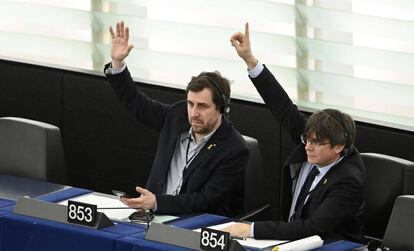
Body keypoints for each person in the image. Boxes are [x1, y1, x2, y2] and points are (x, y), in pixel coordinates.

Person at [223, 23, 366, 242]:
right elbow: (281, 106)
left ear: (339, 147)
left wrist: (250, 230)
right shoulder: (312, 139)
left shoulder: (348, 181)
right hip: (291, 241)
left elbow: (313, 227)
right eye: (306, 139)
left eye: (316, 143)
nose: (307, 146)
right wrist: (250, 60)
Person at [103, 21, 248, 216]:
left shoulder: (234, 149)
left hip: (194, 226)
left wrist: (157, 202)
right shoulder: (177, 116)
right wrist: (118, 64)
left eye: (202, 106)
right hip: (151, 217)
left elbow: (206, 200)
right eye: (190, 104)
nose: (194, 113)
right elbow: (136, 103)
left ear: (221, 108)